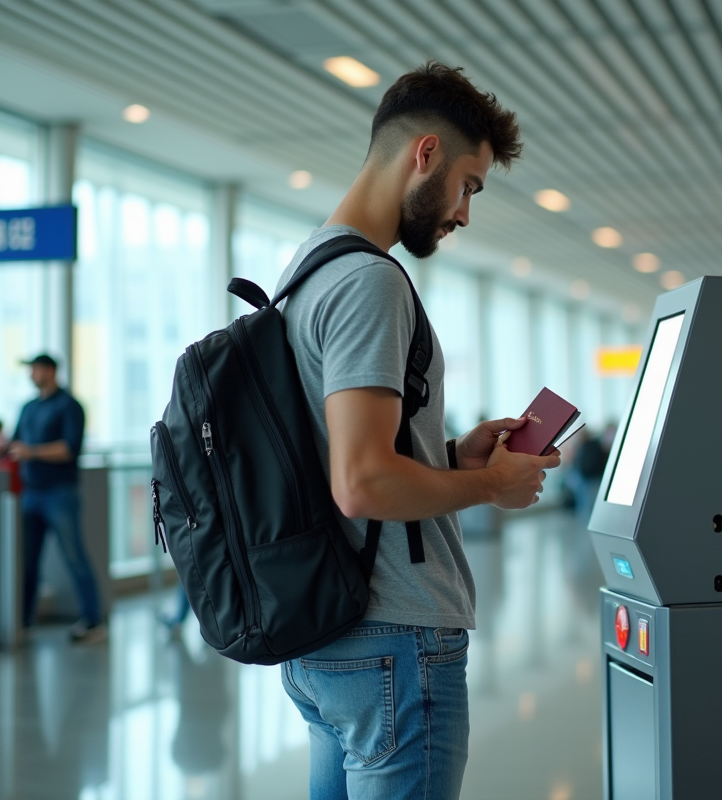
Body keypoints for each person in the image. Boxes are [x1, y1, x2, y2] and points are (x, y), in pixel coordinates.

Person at [274, 62, 555, 800]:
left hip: (326, 639)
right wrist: (492, 482)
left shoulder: (305, 269)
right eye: (471, 185)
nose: (465, 213)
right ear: (425, 154)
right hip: (393, 638)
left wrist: (449, 456)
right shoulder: (371, 282)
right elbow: (361, 482)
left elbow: (345, 450)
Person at [9, 354, 106, 643]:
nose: (31, 375)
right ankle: (23, 620)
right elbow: (18, 444)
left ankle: (93, 620)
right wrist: (5, 447)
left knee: (74, 556)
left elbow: (69, 448)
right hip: (30, 492)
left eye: (35, 369)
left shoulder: (69, 406)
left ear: (49, 371)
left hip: (59, 493)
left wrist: (32, 452)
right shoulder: (27, 408)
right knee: (27, 560)